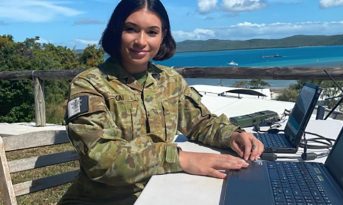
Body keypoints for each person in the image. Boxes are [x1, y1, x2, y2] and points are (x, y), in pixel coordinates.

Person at [59, 0, 264, 204]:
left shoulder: (169, 80)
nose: (141, 41)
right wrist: (180, 158)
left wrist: (232, 136)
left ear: (163, 35)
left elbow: (201, 123)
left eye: (152, 32)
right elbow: (101, 159)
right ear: (116, 31)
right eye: (131, 29)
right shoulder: (90, 84)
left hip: (160, 192)